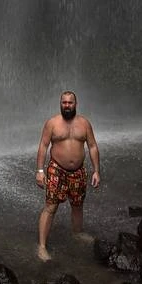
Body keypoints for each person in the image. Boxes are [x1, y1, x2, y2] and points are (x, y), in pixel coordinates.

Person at [34, 90, 100, 261]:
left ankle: (77, 233)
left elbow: (92, 146)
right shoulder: (52, 123)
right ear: (60, 104)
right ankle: (41, 247)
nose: (67, 105)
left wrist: (96, 171)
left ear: (76, 104)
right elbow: (43, 146)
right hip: (57, 169)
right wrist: (40, 171)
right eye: (64, 102)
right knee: (51, 207)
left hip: (78, 171)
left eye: (70, 103)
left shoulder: (84, 124)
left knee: (77, 205)